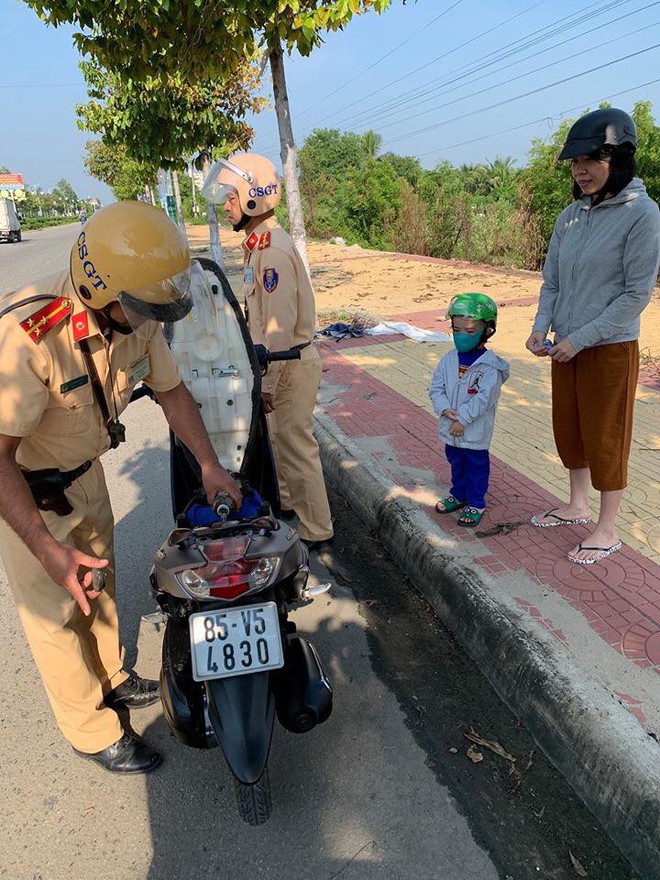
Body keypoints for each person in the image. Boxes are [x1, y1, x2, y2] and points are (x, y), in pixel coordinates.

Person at [0, 201, 241, 774]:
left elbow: (172, 392)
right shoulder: (30, 337)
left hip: (86, 476)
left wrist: (209, 465)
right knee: (57, 612)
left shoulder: (138, 312)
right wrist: (45, 547)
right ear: (101, 293)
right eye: (143, 305)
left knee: (99, 583)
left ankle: (110, 673)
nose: (154, 315)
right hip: (28, 496)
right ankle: (90, 727)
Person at [525, 108, 660, 564]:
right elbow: (552, 281)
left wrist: (580, 337)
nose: (580, 170)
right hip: (566, 345)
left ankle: (607, 528)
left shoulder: (642, 213)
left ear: (618, 159)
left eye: (591, 160)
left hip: (608, 347)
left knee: (606, 435)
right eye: (575, 163)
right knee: (571, 430)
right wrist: (540, 327)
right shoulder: (570, 216)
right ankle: (577, 506)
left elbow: (635, 294)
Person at [201, 152, 334, 552]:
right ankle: (292, 508)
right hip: (279, 362)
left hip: (287, 363)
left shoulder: (272, 251)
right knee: (281, 443)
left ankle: (317, 532)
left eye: (230, 198)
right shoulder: (259, 246)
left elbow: (277, 329)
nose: (226, 207)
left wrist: (269, 383)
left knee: (296, 447)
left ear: (253, 197)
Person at [429, 293, 509, 527]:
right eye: (457, 330)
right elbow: (436, 387)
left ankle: (476, 502)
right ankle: (459, 493)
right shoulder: (448, 359)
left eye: (470, 331)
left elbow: (484, 399)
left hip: (474, 431)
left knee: (475, 464)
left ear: (487, 330)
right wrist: (444, 409)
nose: (462, 336)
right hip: (450, 427)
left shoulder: (490, 366)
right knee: (456, 460)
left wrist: (463, 419)